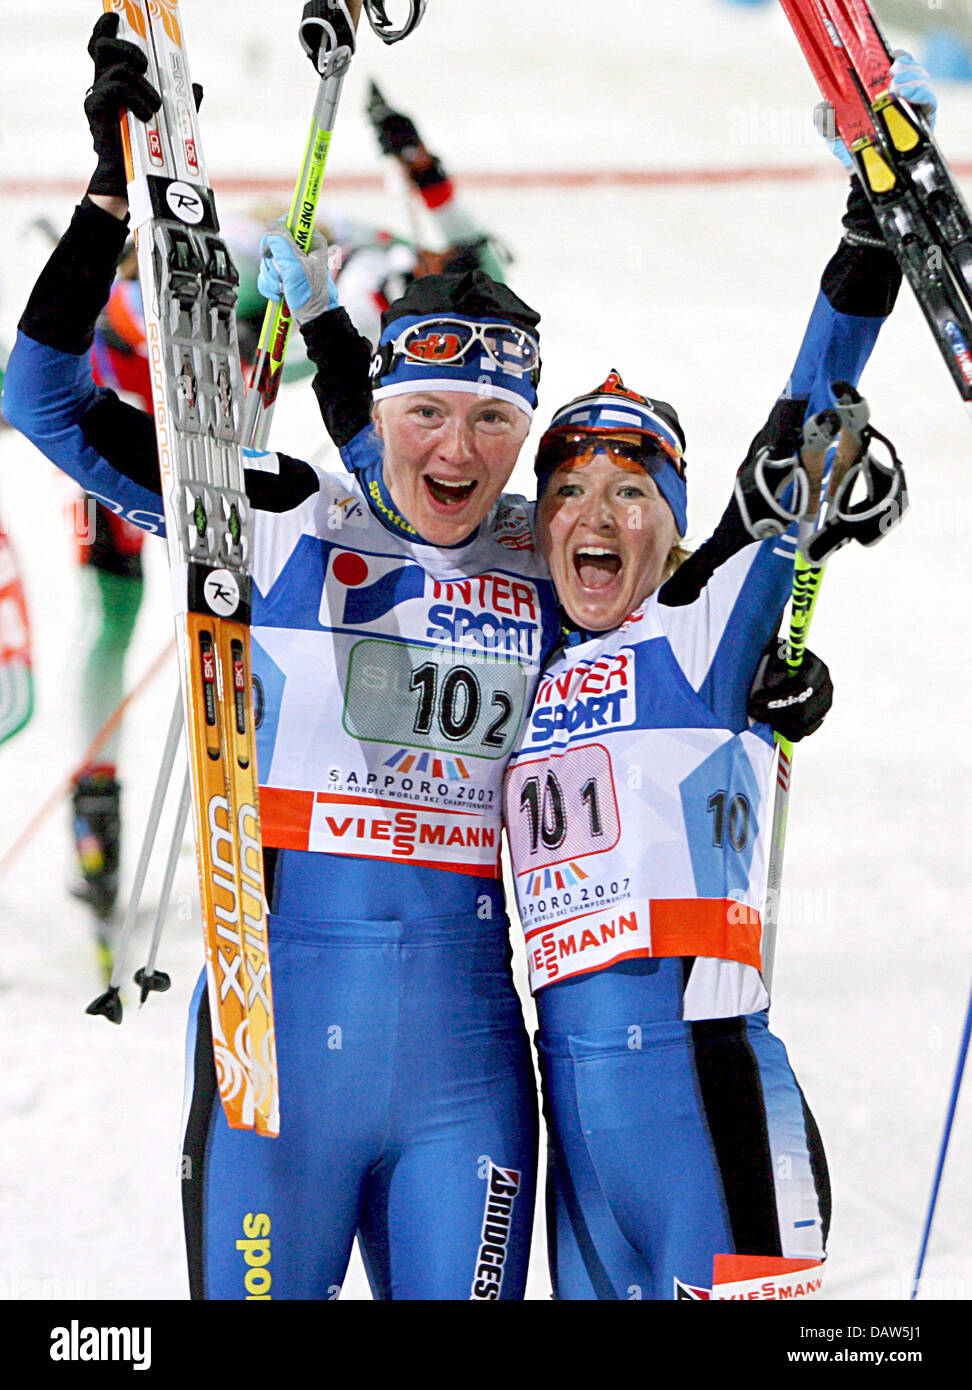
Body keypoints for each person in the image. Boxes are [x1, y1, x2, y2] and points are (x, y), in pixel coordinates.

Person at [3, 14, 560, 1301]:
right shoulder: (287, 510)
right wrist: (107, 199)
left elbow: (706, 633)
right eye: (429, 417)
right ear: (384, 419)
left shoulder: (556, 565)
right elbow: (39, 398)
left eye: (494, 421)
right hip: (275, 1074)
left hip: (468, 1095)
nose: (459, 452)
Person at [500, 134, 916, 1295]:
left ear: (675, 533)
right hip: (573, 1119)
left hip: (708, 1099)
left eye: (632, 492)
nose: (596, 511)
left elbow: (802, 426)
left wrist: (866, 236)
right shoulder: (521, 658)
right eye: (571, 488)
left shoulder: (697, 628)